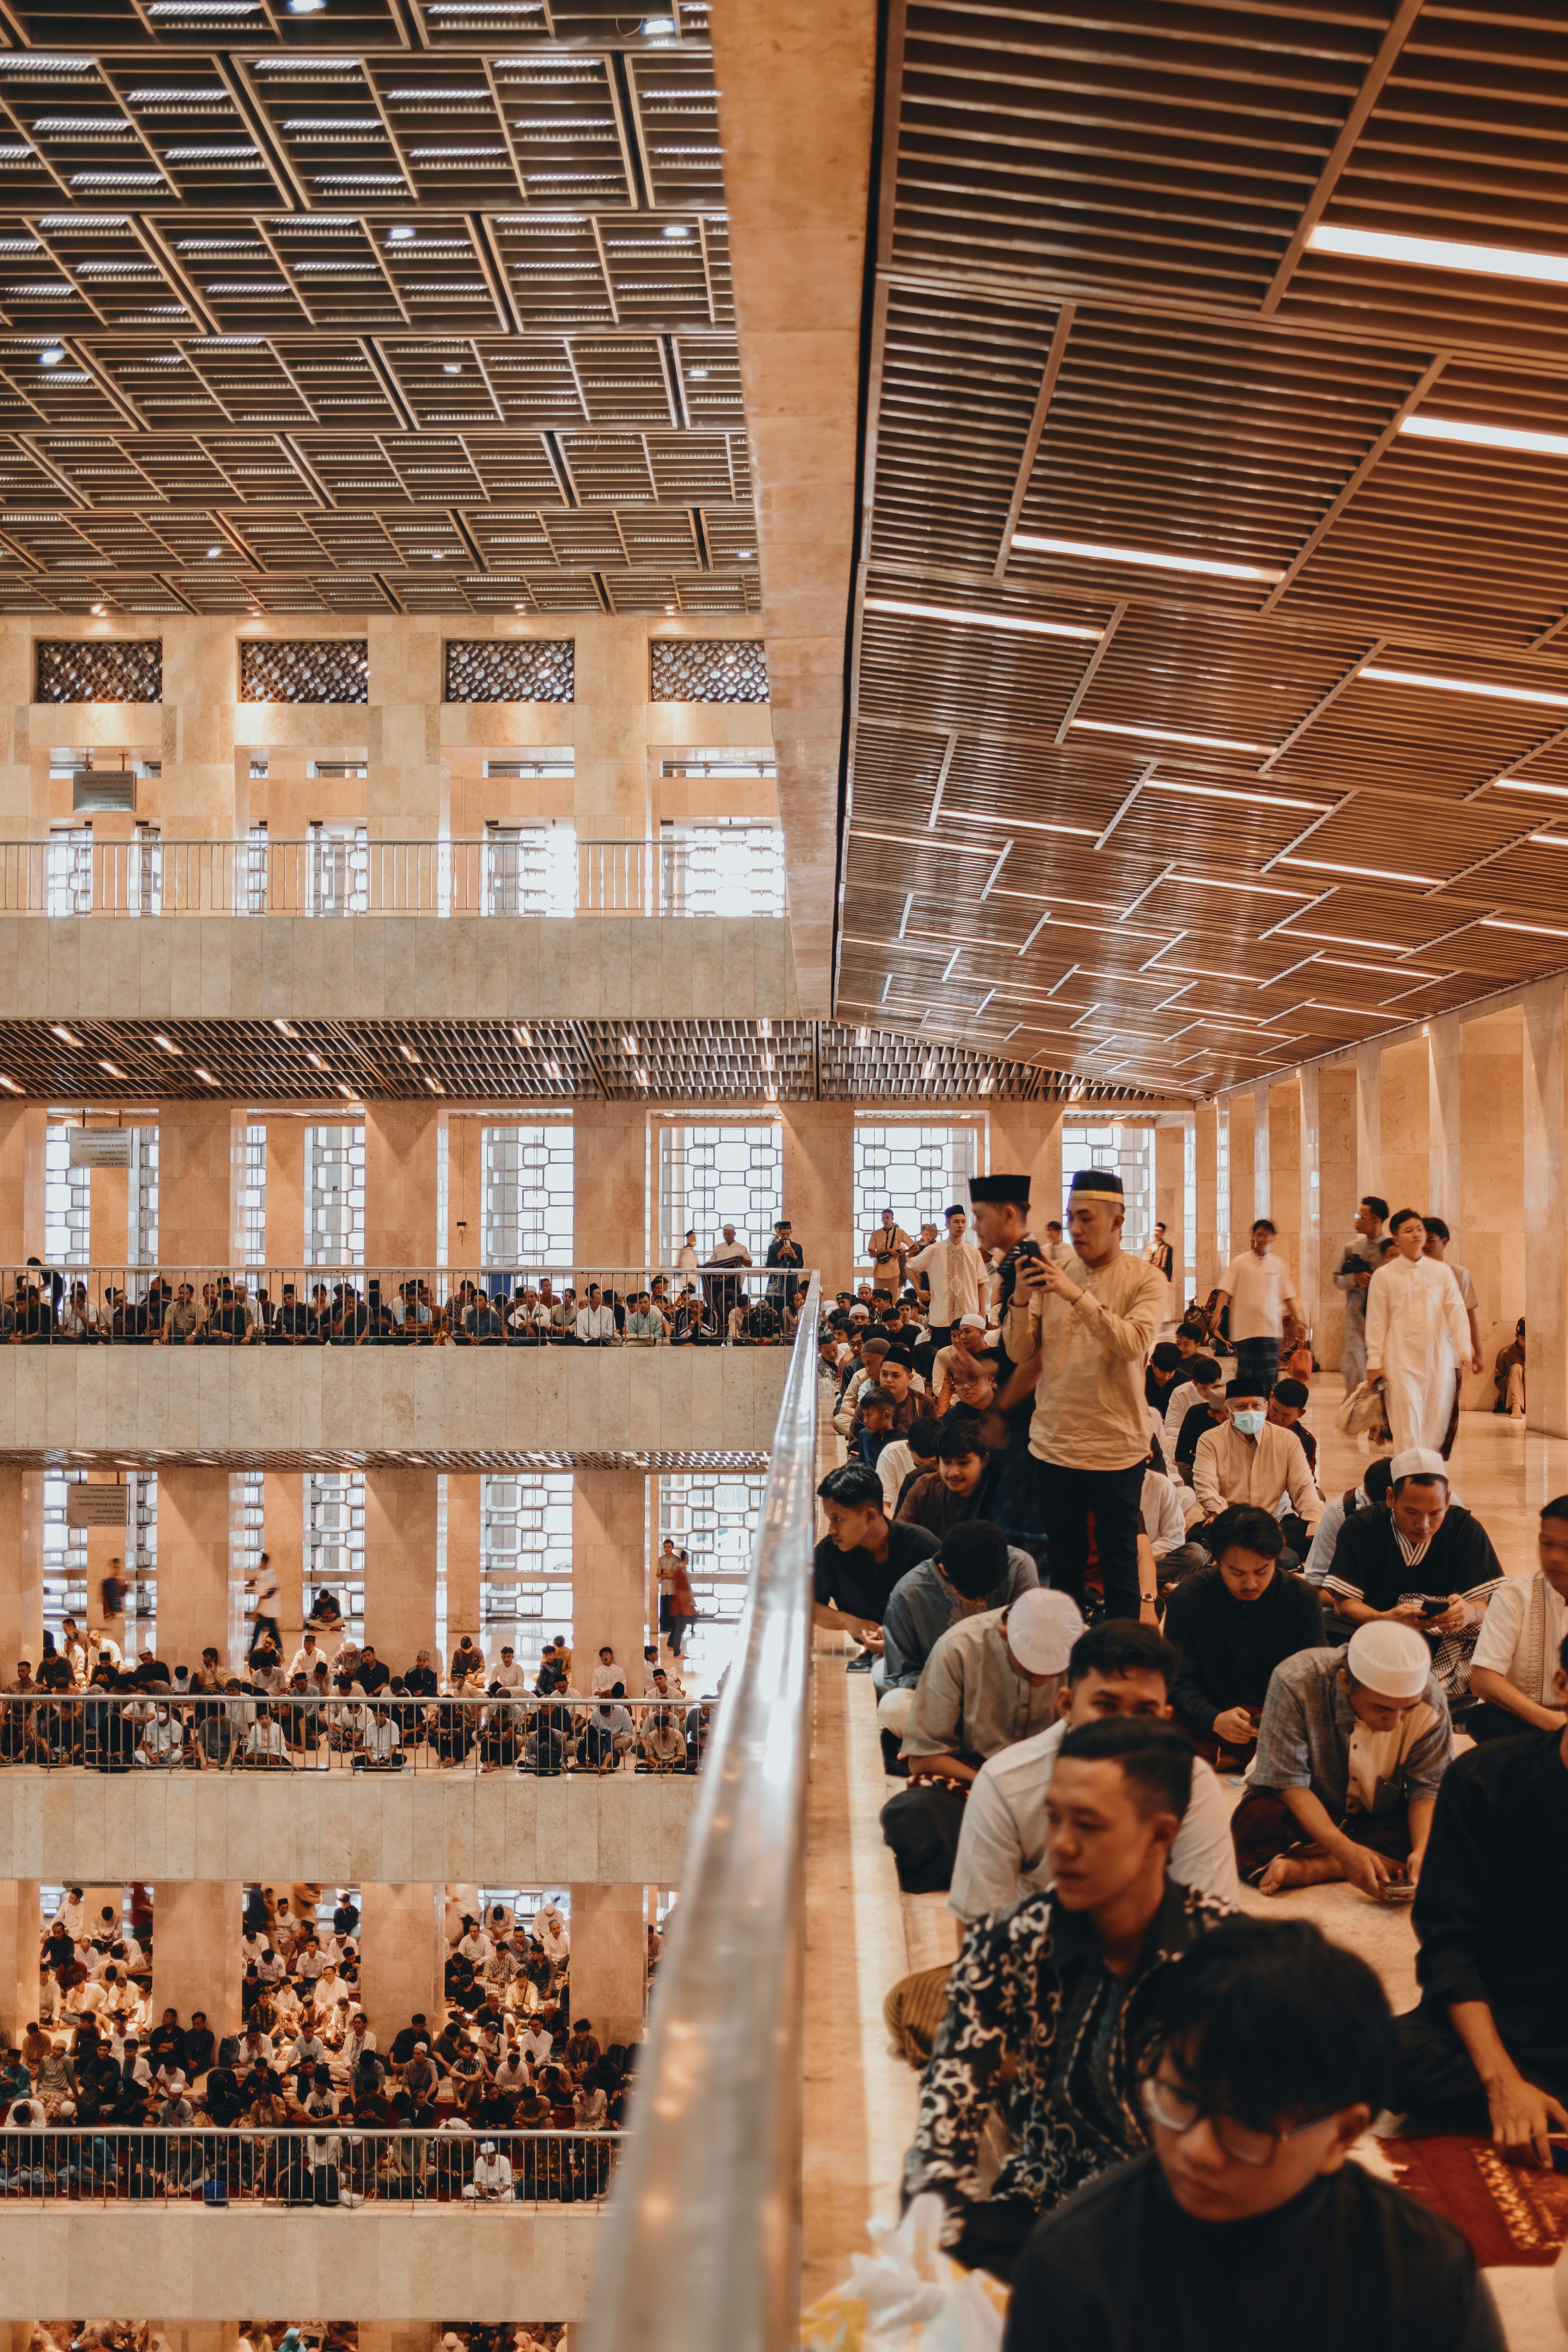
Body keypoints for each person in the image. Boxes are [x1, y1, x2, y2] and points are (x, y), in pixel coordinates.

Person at [1003, 1917, 1505, 2352]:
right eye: (1179, 2097)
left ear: (1342, 2133)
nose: (1196, 2148)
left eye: (1244, 2120)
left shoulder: (1423, 2274)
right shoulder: (1073, 2260)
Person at [903, 1717, 1228, 2279]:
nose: (1062, 1845)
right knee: (945, 2252)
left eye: (1090, 1825)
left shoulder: (1221, 1955)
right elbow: (947, 2111)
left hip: (1180, 2211)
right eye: (1054, 1818)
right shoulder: (1006, 1943)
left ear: (1159, 1835)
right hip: (1046, 2205)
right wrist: (934, 2222)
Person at [1391, 1634, 1568, 2162]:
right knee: (1387, 2055)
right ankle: (1530, 2103)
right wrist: (1500, 2082)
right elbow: (1449, 1944)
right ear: (1563, 1684)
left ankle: (1543, 2112)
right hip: (1499, 2019)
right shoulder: (1484, 1778)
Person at [994, 1169, 1166, 1619]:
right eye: (1071, 1217)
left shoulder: (1146, 1279)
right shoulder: (1056, 1273)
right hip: (1055, 1445)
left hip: (1116, 1448)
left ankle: (1120, 1664)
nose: (1075, 1228)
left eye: (1086, 1218)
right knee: (1064, 1563)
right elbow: (1020, 1350)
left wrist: (1075, 1295)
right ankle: (1064, 1663)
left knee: (1119, 1562)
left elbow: (1131, 1343)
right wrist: (1018, 1298)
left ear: (1117, 1220)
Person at [881, 1588, 1084, 1892]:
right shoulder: (959, 1647)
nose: (1042, 1682)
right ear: (1005, 1636)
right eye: (1029, 1671)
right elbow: (923, 1757)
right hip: (976, 1781)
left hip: (1055, 1789)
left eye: (1052, 1673)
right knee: (913, 1814)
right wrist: (994, 1784)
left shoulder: (1090, 1652)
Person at [1231, 1621, 1451, 1897]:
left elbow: (1429, 1788)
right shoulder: (1296, 1681)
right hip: (1311, 1807)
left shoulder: (1430, 1698)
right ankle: (1354, 1860)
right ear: (1346, 1682)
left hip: (1380, 1815)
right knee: (1257, 1818)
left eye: (1409, 1709)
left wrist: (1423, 1850)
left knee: (1449, 1831)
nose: (1396, 1722)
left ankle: (1313, 1868)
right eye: (1382, 1708)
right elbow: (1288, 1783)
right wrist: (1343, 1848)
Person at [1319, 1447, 1503, 1697]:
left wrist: (1469, 1613)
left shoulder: (1464, 1528)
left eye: (1435, 1513)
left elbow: (1488, 1603)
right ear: (1392, 1498)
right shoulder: (1362, 1526)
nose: (1424, 1525)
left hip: (1441, 1637)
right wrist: (1385, 1619)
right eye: (1412, 1512)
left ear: (1447, 1501)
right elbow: (1344, 1604)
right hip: (1371, 1629)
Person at [1163, 1506, 1325, 1765]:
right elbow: (1177, 1681)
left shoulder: (1302, 1598)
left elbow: (1313, 1680)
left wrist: (1274, 1719)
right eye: (1237, 1573)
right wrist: (1214, 1719)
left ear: (1276, 1558)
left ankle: (1227, 1757)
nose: (1251, 1583)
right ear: (1216, 1560)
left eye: (1262, 1571)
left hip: (1277, 1716)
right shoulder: (1190, 1597)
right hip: (1209, 1710)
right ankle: (1254, 1758)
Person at [877, 1518, 1039, 1742]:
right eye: (971, 1595)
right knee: (893, 1706)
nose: (982, 1604)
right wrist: (955, 1689)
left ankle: (948, 1750)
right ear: (945, 1570)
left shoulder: (1019, 1566)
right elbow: (900, 1674)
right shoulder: (909, 1593)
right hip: (949, 1702)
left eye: (989, 1595)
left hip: (1010, 1694)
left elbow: (1031, 1647)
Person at [813, 1461, 939, 1672]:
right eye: (829, 1518)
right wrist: (848, 1622)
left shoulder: (923, 1548)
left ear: (870, 1516)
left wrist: (899, 1643)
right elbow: (809, 1606)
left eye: (838, 1519)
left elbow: (953, 1610)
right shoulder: (830, 1551)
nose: (832, 1529)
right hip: (876, 1655)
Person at [1366, 1208, 1471, 1454]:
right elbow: (1376, 1322)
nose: (1416, 1235)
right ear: (1396, 1239)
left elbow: (1456, 1310)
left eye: (1420, 1230)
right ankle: (1407, 1481)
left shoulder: (1441, 1272)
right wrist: (1374, 1361)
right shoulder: (1384, 1276)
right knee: (1408, 1424)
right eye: (1409, 1231)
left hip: (1437, 1360)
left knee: (1434, 1427)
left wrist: (1464, 1347)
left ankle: (1427, 1480)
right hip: (1400, 1363)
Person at [1466, 1493, 1568, 1739]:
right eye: (1547, 1544)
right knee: (1483, 1718)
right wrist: (1551, 1722)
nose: (1555, 1557)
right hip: (1527, 1722)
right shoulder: (1514, 1596)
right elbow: (1483, 1680)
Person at [1191, 1378, 1322, 1543]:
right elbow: (1205, 1485)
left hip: (1276, 1521)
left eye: (1256, 1406)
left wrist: (1317, 1526)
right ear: (1227, 1411)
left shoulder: (1288, 1439)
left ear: (1266, 1407)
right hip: (1230, 1521)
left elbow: (1304, 1487)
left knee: (1310, 1532)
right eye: (1242, 1407)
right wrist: (1221, 1516)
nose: (1250, 1412)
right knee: (1196, 1537)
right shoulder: (1210, 1440)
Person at [1213, 1218, 1301, 1399]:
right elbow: (1225, 1289)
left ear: (1272, 1238)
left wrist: (1299, 1322)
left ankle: (1268, 1417)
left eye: (1266, 1235)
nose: (1262, 1239)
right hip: (1245, 1331)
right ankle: (1242, 1415)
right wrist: (1217, 1314)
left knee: (1269, 1379)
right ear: (1253, 1236)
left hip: (1270, 1330)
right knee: (1245, 1377)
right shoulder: (1240, 1262)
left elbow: (1288, 1295)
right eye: (1259, 1234)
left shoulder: (1279, 1264)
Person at [906, 1203, 986, 1350]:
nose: (961, 1226)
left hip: (969, 1317)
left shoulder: (973, 1253)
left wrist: (982, 1312)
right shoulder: (934, 1250)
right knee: (941, 1360)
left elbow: (981, 1283)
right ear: (947, 1224)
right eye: (956, 1222)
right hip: (941, 1319)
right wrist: (918, 1290)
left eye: (963, 1222)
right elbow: (909, 1267)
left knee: (970, 1361)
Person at [1334, 1194, 1388, 1396]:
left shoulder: (1391, 1249)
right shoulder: (1352, 1248)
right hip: (1356, 1323)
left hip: (1383, 1324)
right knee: (1354, 1374)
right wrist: (1355, 1279)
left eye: (1362, 1216)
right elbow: (1337, 1280)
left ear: (1376, 1220)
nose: (1357, 1220)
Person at [867, 1207, 914, 1298]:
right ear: (881, 1219)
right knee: (878, 1298)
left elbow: (914, 1247)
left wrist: (901, 1253)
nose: (885, 1220)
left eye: (888, 1218)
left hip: (894, 1271)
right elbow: (872, 1254)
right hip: (879, 1270)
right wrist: (888, 1251)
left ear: (892, 1219)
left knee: (893, 1299)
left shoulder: (900, 1233)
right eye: (884, 1218)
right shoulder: (876, 1234)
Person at [1493, 1317, 1526, 1419]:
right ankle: (1516, 1406)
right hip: (1509, 1397)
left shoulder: (1538, 1353)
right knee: (1516, 1368)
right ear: (1517, 1336)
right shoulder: (1506, 1353)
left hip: (1531, 1395)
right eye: (1524, 1340)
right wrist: (1512, 1374)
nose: (1527, 1344)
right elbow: (1499, 1383)